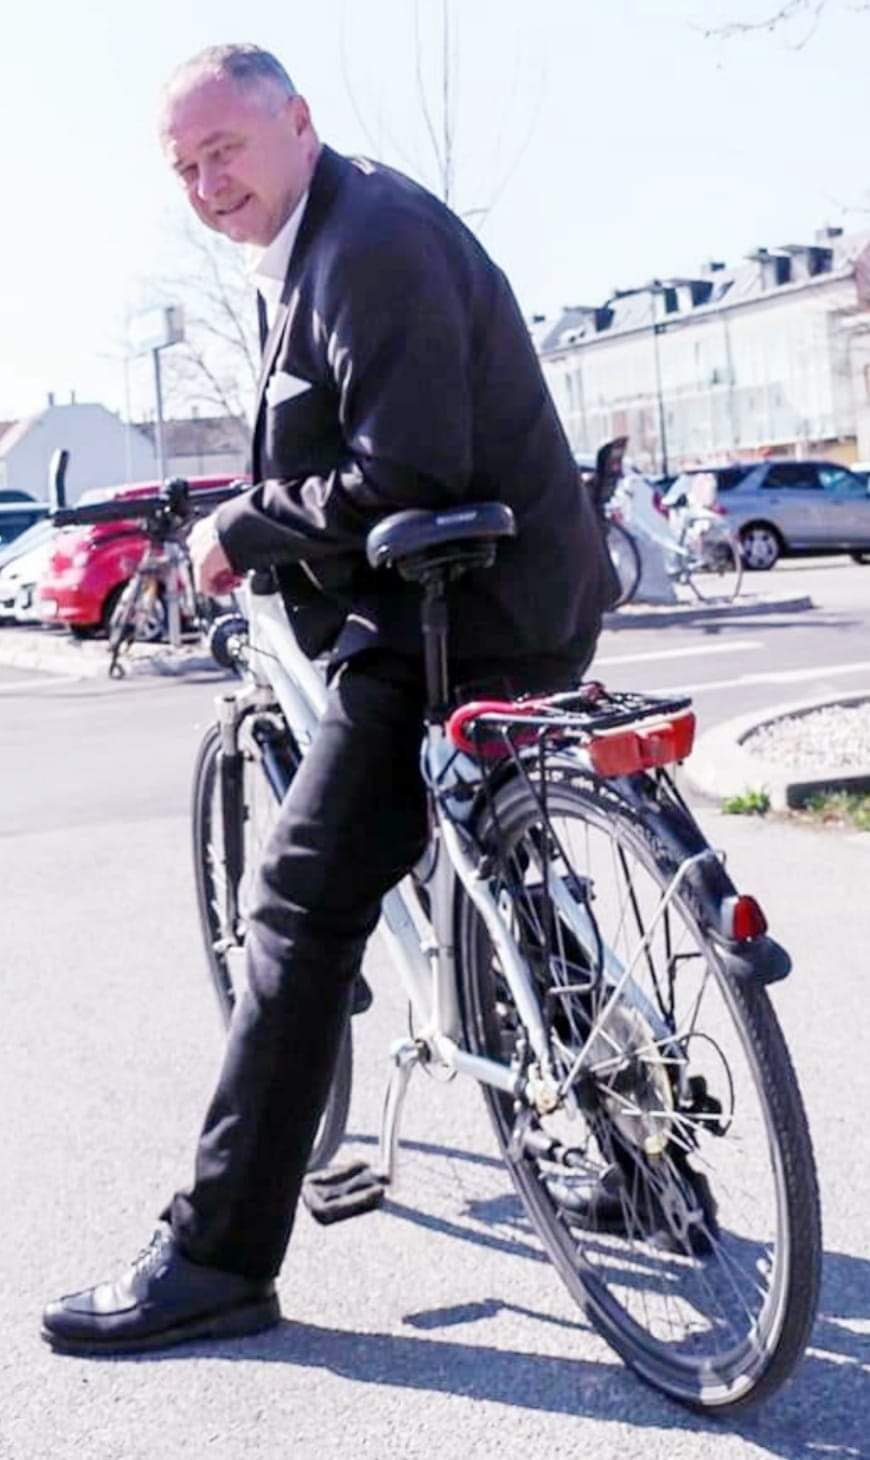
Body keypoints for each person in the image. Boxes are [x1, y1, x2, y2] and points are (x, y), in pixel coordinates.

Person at [42, 43, 618, 1355]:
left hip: (452, 618)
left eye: (223, 150)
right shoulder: (327, 234)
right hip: (501, 600)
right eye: (183, 167)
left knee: (297, 907)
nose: (203, 183)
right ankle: (630, 1145)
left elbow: (406, 463)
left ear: (295, 122)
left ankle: (218, 1258)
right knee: (481, 864)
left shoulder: (368, 240)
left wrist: (245, 527)